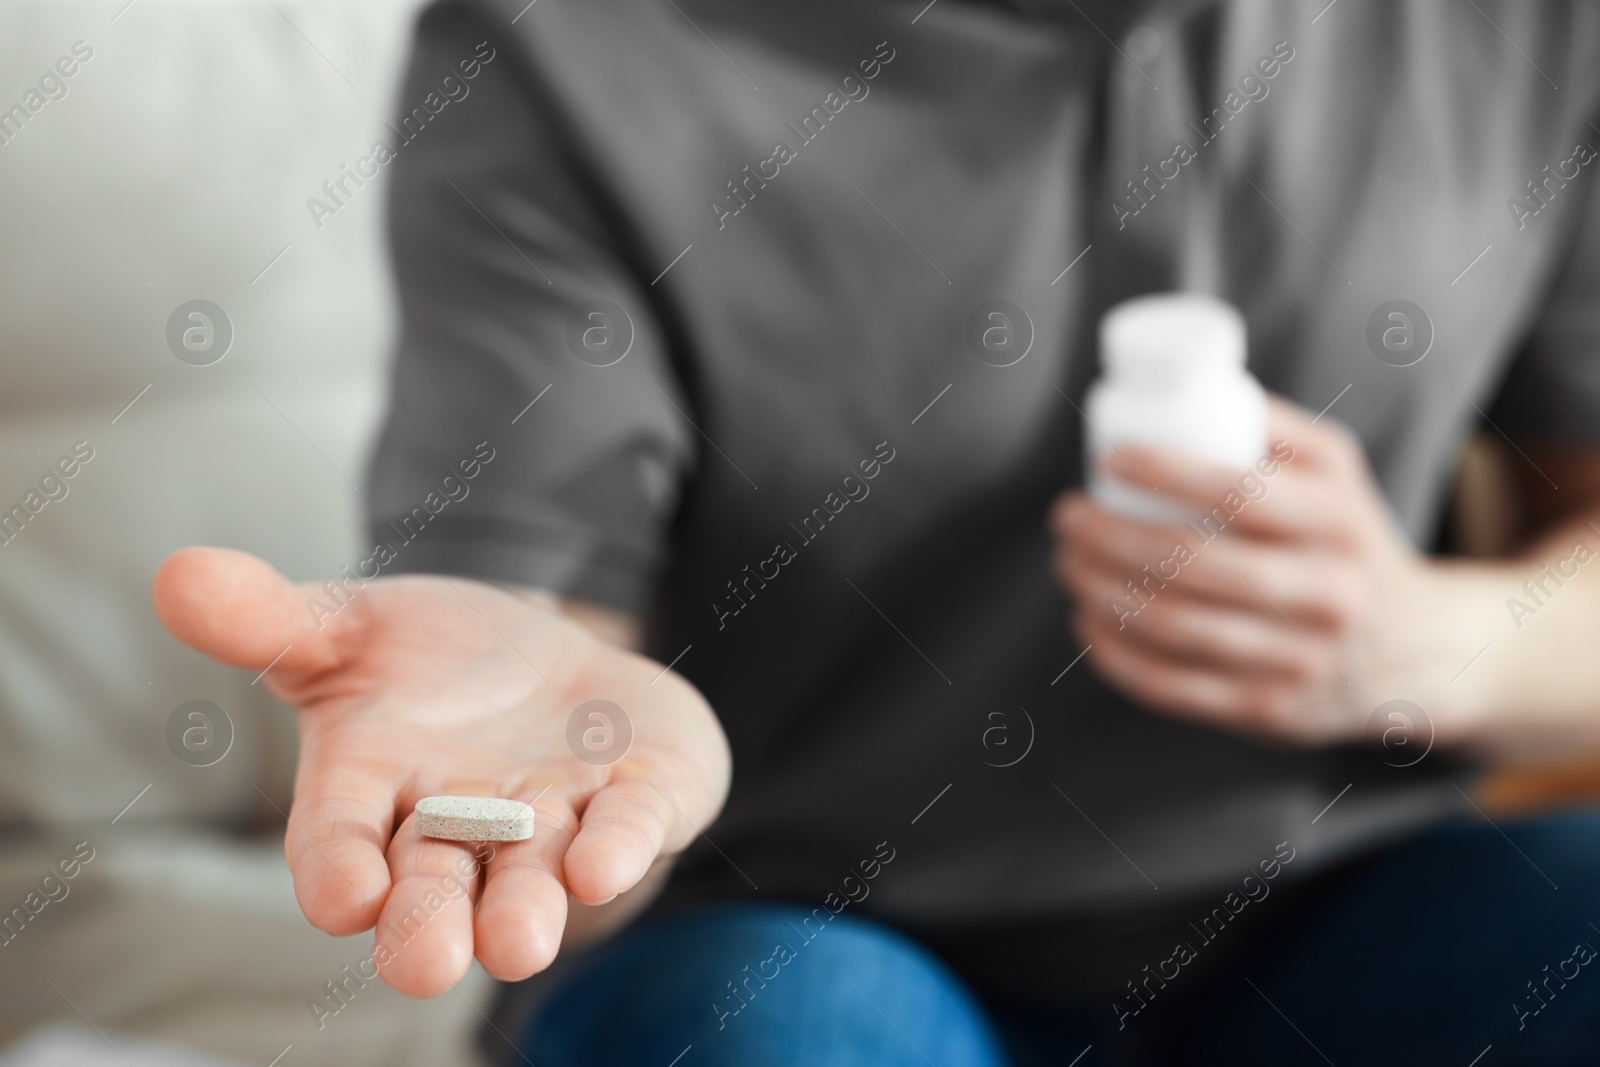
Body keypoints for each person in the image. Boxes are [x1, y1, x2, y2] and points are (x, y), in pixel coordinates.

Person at [151, 0, 1600, 1062]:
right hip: (805, 930)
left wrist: (1439, 643)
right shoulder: (566, 50)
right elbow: (540, 640)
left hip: (1350, 916)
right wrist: (542, 790)